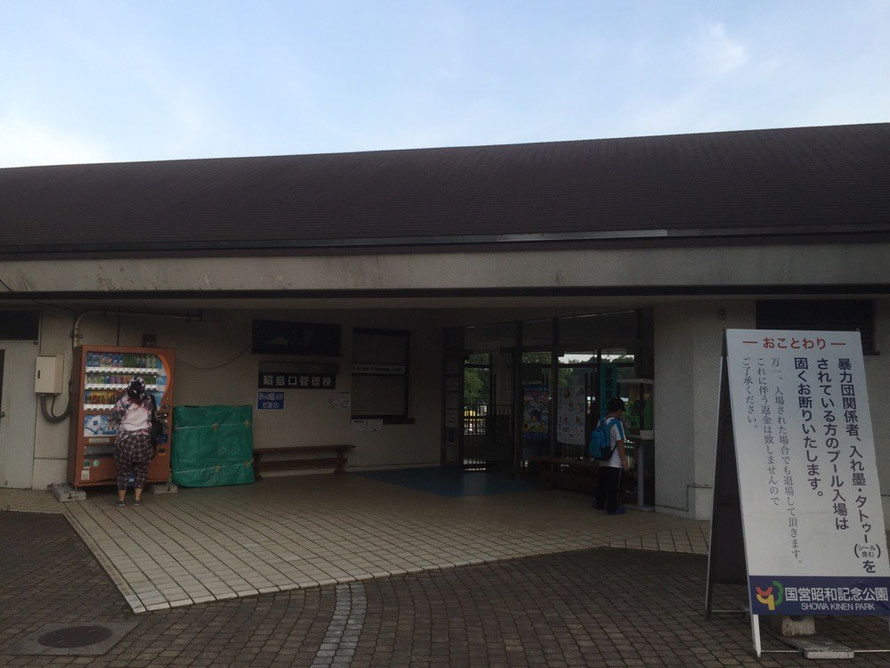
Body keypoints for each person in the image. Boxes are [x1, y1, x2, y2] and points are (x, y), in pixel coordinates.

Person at [107, 376, 155, 507]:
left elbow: (111, 420)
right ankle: (137, 499)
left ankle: (121, 500)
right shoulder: (149, 400)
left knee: (123, 471)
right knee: (141, 470)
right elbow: (152, 417)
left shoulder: (122, 402)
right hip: (143, 440)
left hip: (125, 441)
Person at [594, 397, 630, 515]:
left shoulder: (601, 421)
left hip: (602, 458)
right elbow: (620, 443)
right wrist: (624, 461)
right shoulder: (617, 423)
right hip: (614, 461)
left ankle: (599, 503)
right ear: (619, 410)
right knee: (613, 486)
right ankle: (612, 508)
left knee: (602, 483)